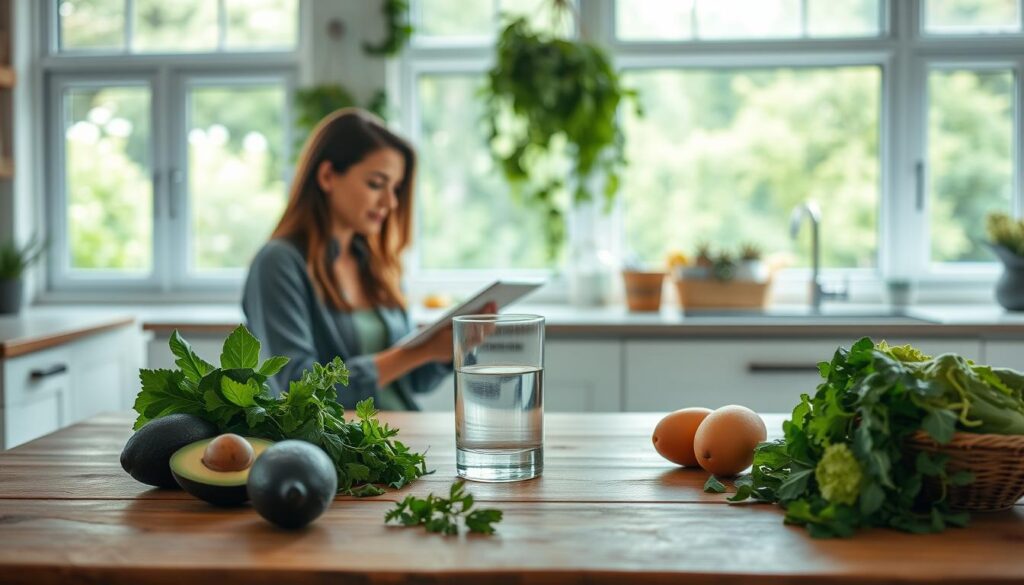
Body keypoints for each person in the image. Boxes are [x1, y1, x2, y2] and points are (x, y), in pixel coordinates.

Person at [242, 108, 492, 409]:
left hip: (401, 435)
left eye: (395, 189)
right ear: (327, 176)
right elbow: (299, 388)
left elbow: (411, 382)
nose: (390, 203)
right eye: (376, 184)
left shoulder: (377, 264)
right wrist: (416, 351)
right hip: (341, 448)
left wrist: (447, 347)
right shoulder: (278, 263)